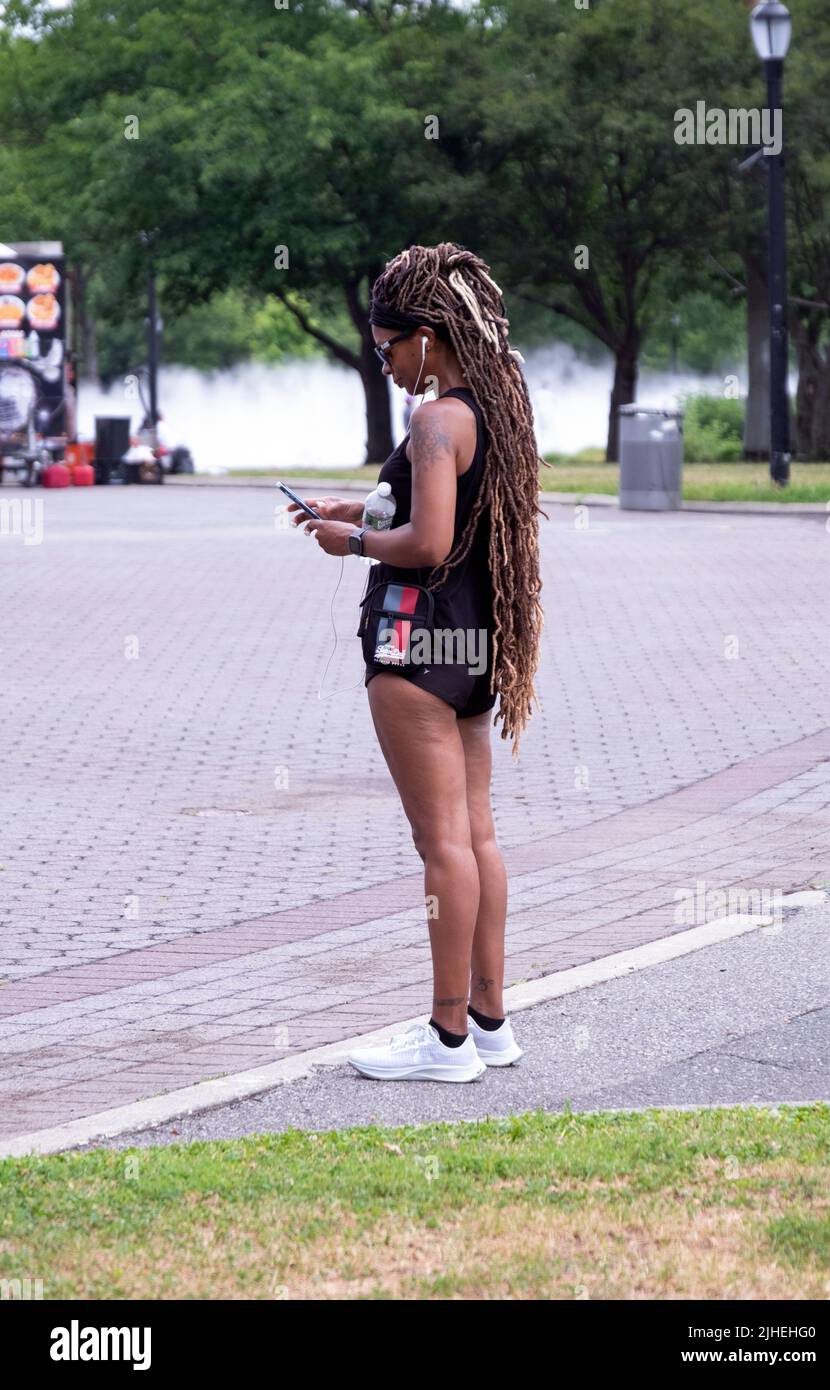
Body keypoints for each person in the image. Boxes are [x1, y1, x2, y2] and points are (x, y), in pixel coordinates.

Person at [285, 243, 544, 1082]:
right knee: (477, 837)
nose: (388, 363)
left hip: (413, 641)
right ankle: (489, 1020)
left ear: (429, 335)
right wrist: (354, 504)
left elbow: (426, 540)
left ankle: (445, 1041)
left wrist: (350, 541)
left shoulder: (433, 420)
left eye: (391, 347)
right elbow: (447, 509)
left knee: (441, 848)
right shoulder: (495, 406)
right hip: (471, 641)